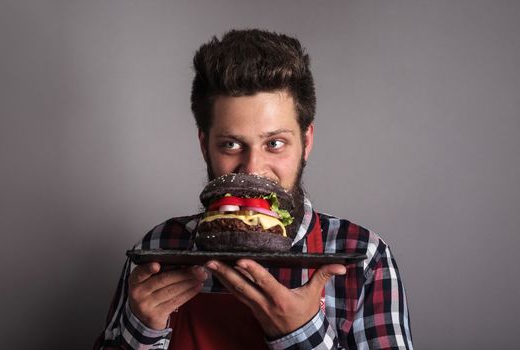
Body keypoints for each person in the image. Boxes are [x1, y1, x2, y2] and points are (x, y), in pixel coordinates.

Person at [94, 29, 413, 350]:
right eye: (231, 144)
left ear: (306, 142)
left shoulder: (362, 258)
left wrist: (303, 334)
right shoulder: (159, 249)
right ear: (205, 145)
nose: (252, 169)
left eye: (275, 143)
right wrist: (141, 332)